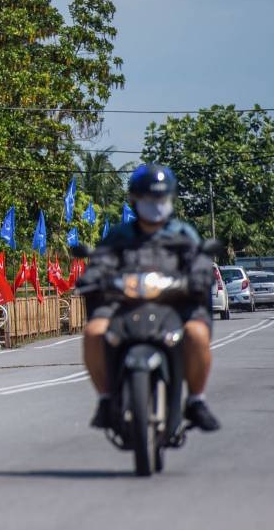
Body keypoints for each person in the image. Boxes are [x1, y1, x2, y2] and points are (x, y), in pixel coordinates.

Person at [81, 163, 221, 432]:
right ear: (135, 200)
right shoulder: (120, 235)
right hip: (123, 307)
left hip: (176, 306)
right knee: (93, 332)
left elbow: (200, 262)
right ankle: (105, 399)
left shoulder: (184, 234)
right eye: (148, 198)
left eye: (160, 198)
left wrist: (198, 277)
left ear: (169, 198)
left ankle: (196, 400)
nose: (155, 204)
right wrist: (93, 276)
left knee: (197, 334)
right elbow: (100, 262)